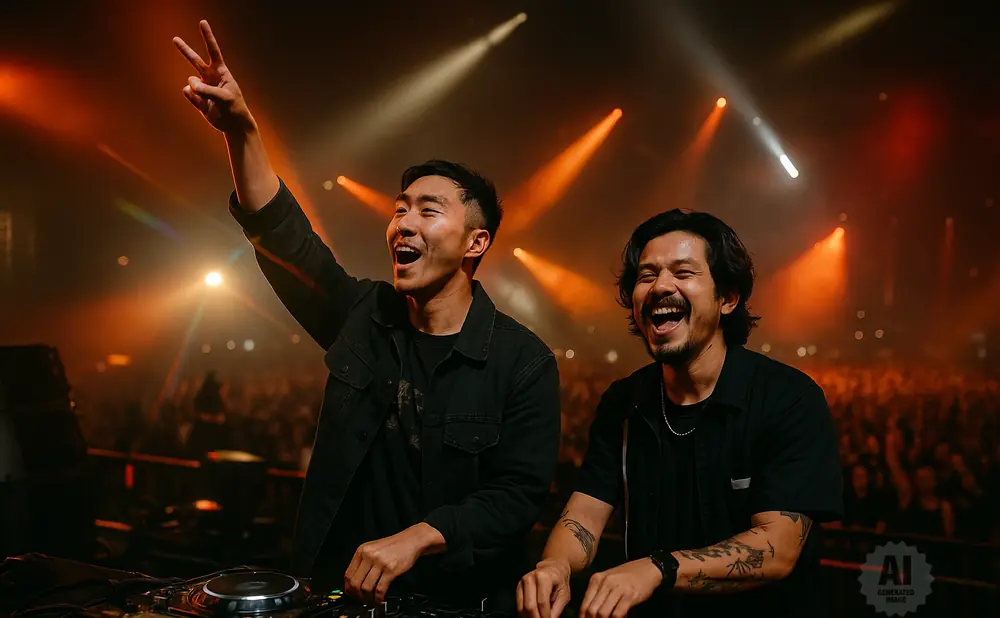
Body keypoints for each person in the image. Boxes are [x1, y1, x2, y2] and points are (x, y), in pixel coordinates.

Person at [172, 21, 561, 611]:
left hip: (450, 603)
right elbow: (285, 239)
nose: (403, 223)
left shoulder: (523, 361)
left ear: (476, 243)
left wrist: (418, 538)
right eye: (399, 210)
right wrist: (241, 130)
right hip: (336, 595)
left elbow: (518, 494)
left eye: (428, 211)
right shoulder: (363, 315)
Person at [518, 210, 842, 618]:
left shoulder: (787, 399)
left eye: (683, 272)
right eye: (647, 275)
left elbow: (778, 548)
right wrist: (555, 566)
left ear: (727, 298)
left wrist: (658, 569)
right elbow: (583, 513)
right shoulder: (624, 401)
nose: (660, 287)